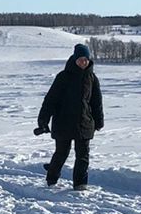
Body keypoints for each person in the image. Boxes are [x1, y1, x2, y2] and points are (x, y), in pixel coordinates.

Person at [35, 43, 104, 190]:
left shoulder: (92, 78)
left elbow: (96, 102)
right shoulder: (63, 77)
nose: (83, 62)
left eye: (85, 59)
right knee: (62, 153)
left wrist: (99, 121)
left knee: (83, 156)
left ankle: (80, 184)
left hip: (84, 123)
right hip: (63, 122)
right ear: (74, 59)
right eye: (80, 59)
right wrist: (43, 120)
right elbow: (50, 100)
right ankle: (52, 178)